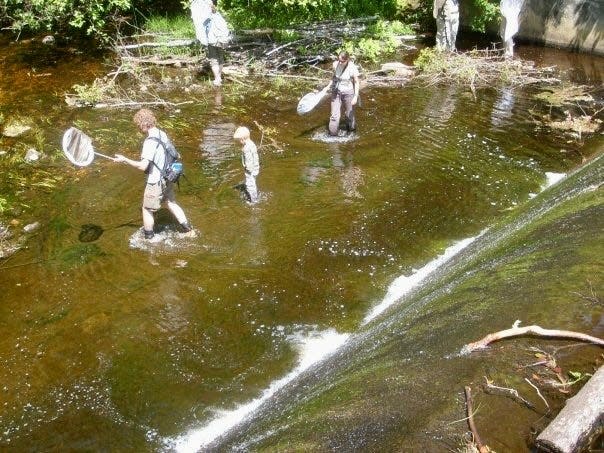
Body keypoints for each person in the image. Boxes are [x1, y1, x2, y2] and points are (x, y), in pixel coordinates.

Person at [114, 108, 193, 240]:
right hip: (169, 176)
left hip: (155, 181)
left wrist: (125, 160)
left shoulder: (149, 142)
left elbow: (142, 166)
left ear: (144, 124)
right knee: (171, 202)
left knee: (146, 209)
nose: (139, 128)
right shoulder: (162, 133)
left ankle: (149, 238)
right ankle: (188, 229)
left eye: (139, 125)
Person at [190, 0, 229, 86]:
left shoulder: (206, 18)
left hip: (212, 41)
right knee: (220, 58)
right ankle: (219, 77)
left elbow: (202, 31)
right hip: (222, 41)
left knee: (214, 60)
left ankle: (217, 79)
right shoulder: (219, 16)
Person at [326, 51, 360, 136]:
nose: (340, 63)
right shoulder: (335, 64)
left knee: (349, 115)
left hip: (348, 92)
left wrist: (355, 97)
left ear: (347, 59)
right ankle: (332, 136)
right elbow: (334, 77)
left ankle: (352, 134)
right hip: (336, 91)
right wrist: (327, 86)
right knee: (334, 116)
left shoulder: (352, 68)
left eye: (342, 61)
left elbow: (356, 82)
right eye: (339, 60)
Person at [233, 126, 259, 203]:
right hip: (256, 167)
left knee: (250, 185)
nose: (239, 143)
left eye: (239, 141)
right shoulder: (252, 144)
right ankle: (247, 184)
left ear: (242, 139)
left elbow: (249, 159)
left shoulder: (246, 148)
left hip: (250, 170)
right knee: (251, 180)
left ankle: (253, 200)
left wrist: (248, 169)